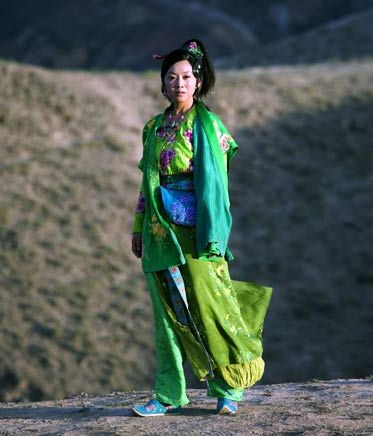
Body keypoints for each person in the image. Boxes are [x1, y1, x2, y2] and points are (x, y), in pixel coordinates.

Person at [129, 38, 271, 417]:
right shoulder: (153, 128)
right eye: (172, 77)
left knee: (211, 309)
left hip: (197, 235)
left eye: (187, 76)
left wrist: (215, 235)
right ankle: (167, 393)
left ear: (198, 81)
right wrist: (138, 227)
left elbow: (216, 185)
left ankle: (228, 390)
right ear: (163, 84)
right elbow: (147, 184)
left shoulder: (207, 125)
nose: (179, 83)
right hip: (160, 234)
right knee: (167, 318)